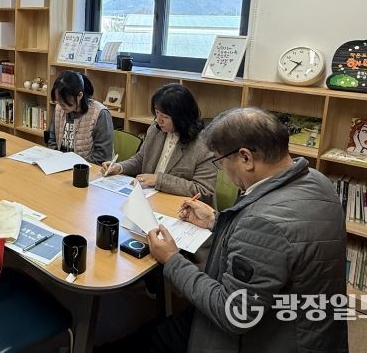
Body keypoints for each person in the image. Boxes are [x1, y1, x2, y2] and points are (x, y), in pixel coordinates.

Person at [102, 107, 348, 352]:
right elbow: (278, 245)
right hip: (311, 328)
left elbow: (232, 313)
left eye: (220, 161)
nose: (222, 170)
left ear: (245, 158)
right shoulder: (317, 181)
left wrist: (172, 259)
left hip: (263, 337)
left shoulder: (264, 224)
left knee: (144, 340)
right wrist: (215, 220)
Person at [101, 83, 216, 205]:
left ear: (182, 118)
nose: (158, 120)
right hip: (150, 199)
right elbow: (141, 159)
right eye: (157, 112)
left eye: (165, 116)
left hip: (180, 206)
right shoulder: (156, 130)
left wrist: (159, 180)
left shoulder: (203, 145)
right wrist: (120, 167)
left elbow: (203, 191)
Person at [46, 70, 113, 164]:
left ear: (79, 95)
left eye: (64, 100)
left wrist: (75, 165)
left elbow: (102, 156)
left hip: (85, 168)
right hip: (60, 165)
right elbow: (52, 140)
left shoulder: (100, 113)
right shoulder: (60, 108)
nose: (60, 104)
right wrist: (56, 159)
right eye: (58, 100)